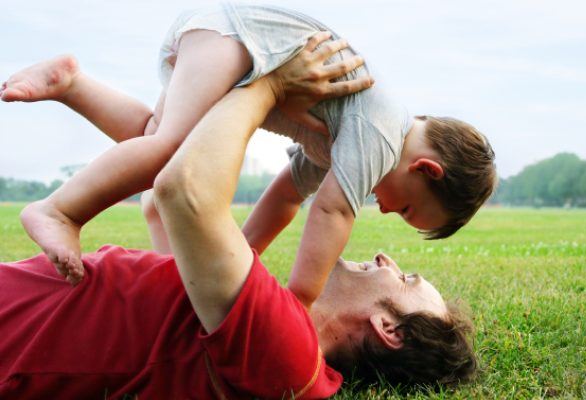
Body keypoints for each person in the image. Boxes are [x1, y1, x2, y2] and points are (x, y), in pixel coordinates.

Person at [0, 65, 477, 398]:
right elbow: (160, 208)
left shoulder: (292, 349)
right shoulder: (259, 325)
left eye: (407, 279)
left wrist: (266, 84)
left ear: (388, 329)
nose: (387, 260)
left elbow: (184, 192)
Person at [1, 4, 496, 308]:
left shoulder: (346, 136)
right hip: (237, 42)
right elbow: (331, 210)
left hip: (226, 44)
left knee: (155, 138)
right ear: (426, 169)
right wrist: (299, 298)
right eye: (406, 207)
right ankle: (59, 210)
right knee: (168, 149)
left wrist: (243, 257)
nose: (386, 210)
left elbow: (285, 196)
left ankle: (70, 82)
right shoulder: (385, 134)